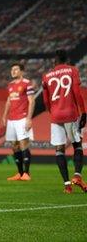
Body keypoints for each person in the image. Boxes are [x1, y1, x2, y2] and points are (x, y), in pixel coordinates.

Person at [42, 49, 87, 193]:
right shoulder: (72, 70)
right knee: (77, 145)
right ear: (66, 60)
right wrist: (83, 112)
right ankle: (77, 176)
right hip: (70, 113)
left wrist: (52, 112)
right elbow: (76, 93)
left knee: (59, 149)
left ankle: (67, 185)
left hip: (55, 116)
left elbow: (45, 100)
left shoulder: (46, 76)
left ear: (54, 61)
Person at [2, 62, 36, 181]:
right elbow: (9, 101)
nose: (13, 71)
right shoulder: (10, 85)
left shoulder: (27, 83)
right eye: (12, 70)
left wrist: (29, 118)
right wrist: (4, 115)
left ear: (22, 71)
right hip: (11, 119)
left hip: (22, 118)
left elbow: (31, 101)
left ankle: (26, 173)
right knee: (14, 146)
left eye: (16, 69)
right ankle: (20, 173)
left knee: (23, 144)